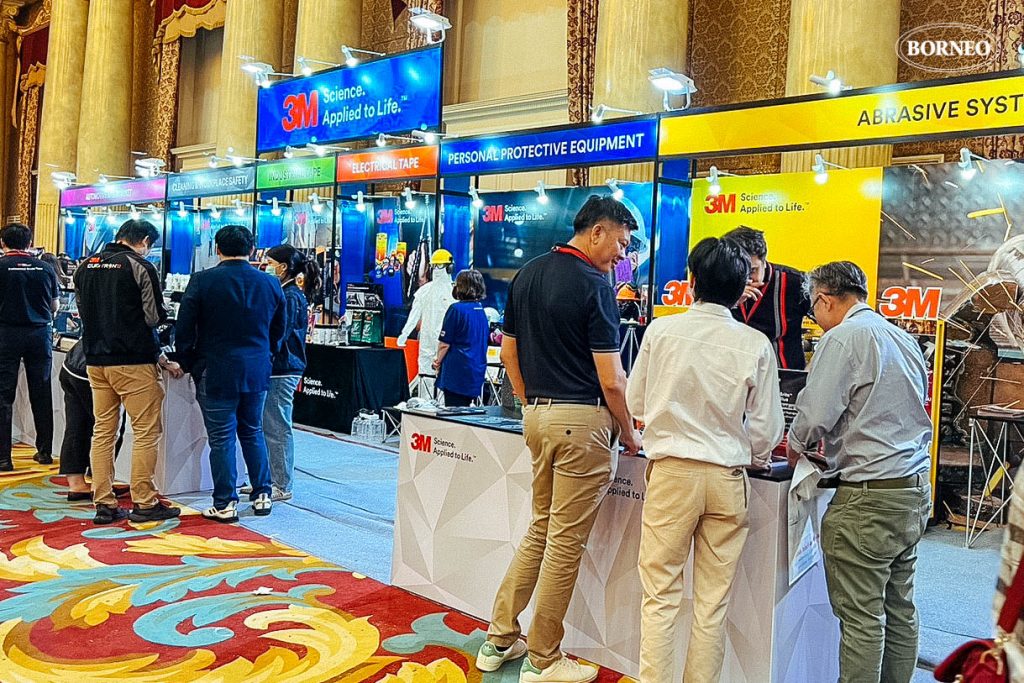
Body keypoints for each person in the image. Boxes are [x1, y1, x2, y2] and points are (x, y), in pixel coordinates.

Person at [475, 196, 643, 683]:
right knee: (564, 543)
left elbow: (509, 354)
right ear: (597, 232)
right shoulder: (595, 286)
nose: (622, 254)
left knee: (541, 529)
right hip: (582, 424)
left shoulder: (527, 274)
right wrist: (629, 431)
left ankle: (498, 638)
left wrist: (529, 403)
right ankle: (544, 659)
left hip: (538, 417)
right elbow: (612, 380)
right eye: (620, 243)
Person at [626, 237, 783, 682]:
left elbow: (636, 402)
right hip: (727, 479)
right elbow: (767, 429)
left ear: (692, 281)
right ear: (740, 290)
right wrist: (754, 454)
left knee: (660, 596)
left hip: (672, 475)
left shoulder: (660, 331)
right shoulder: (755, 343)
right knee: (712, 605)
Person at [786, 261, 932, 683]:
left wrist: (794, 445)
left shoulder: (843, 338)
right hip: (911, 489)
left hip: (867, 499)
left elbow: (815, 414)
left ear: (824, 299)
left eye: (814, 308)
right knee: (899, 608)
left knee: (861, 618)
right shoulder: (902, 338)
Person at [73, 219, 184, 525]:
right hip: (133, 360)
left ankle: (104, 502)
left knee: (103, 431)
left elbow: (82, 312)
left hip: (95, 360)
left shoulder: (85, 265)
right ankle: (145, 502)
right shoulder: (140, 266)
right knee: (146, 431)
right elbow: (153, 317)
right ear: (145, 240)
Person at [176, 225, 285, 523]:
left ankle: (225, 503)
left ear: (217, 249)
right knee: (253, 431)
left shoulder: (202, 280)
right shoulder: (270, 283)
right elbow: (279, 329)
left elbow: (184, 327)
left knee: (222, 438)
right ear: (252, 249)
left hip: (215, 369)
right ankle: (262, 494)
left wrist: (186, 360)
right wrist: (267, 355)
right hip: (256, 369)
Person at [263, 244, 320, 502]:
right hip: (280, 365)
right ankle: (268, 478)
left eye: (270, 263)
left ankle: (282, 483)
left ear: (283, 267)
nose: (266, 267)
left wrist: (265, 354)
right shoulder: (285, 293)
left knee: (277, 426)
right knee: (268, 425)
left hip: (283, 366)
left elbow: (280, 334)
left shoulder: (290, 296)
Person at [0, 224, 59, 472]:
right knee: (42, 392)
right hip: (39, 333)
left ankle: (4, 458)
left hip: (6, 333)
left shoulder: (1, 266)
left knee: (4, 396)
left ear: (3, 243)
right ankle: (44, 451)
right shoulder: (45, 268)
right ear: (29, 242)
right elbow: (55, 306)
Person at [722, 226, 811, 370]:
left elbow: (836, 323)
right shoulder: (721, 281)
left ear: (764, 261)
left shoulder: (795, 282)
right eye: (738, 270)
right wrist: (731, 301)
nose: (746, 278)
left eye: (752, 270)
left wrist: (812, 369)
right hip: (734, 374)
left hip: (783, 375)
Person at [398, 249, 456, 398]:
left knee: (443, 380)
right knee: (425, 377)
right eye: (435, 266)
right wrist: (404, 334)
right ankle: (425, 406)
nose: (437, 270)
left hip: (445, 342)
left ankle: (440, 406)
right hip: (429, 342)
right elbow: (414, 315)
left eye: (440, 266)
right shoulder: (425, 291)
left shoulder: (454, 293)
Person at [433, 269, 490, 407]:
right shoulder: (481, 310)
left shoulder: (456, 309)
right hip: (475, 370)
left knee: (453, 411)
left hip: (457, 373)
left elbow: (444, 343)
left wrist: (437, 361)